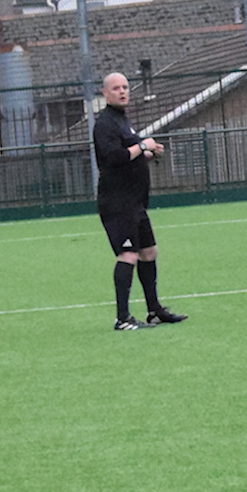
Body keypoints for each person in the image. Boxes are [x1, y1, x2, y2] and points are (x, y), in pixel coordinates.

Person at [92, 71, 184, 331]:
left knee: (149, 251)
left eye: (125, 87)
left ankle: (154, 311)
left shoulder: (123, 121)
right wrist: (142, 146)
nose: (122, 91)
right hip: (118, 203)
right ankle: (122, 318)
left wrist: (149, 153)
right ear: (105, 93)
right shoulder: (105, 123)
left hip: (135, 203)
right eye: (116, 88)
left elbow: (129, 156)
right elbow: (113, 157)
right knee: (128, 254)